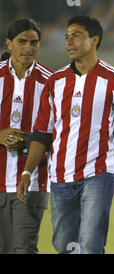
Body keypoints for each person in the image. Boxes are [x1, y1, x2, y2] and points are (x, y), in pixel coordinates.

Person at [17, 15, 114, 254]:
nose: (69, 42)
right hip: (61, 178)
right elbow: (42, 134)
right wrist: (26, 171)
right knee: (65, 247)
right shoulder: (55, 82)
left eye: (76, 35)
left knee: (91, 245)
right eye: (66, 37)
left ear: (94, 39)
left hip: (98, 175)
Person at [0, 18, 54, 254]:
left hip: (32, 181)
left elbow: (63, 132)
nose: (28, 48)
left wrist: (31, 140)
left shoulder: (53, 82)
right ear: (9, 43)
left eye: (34, 42)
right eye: (22, 41)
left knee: (23, 249)